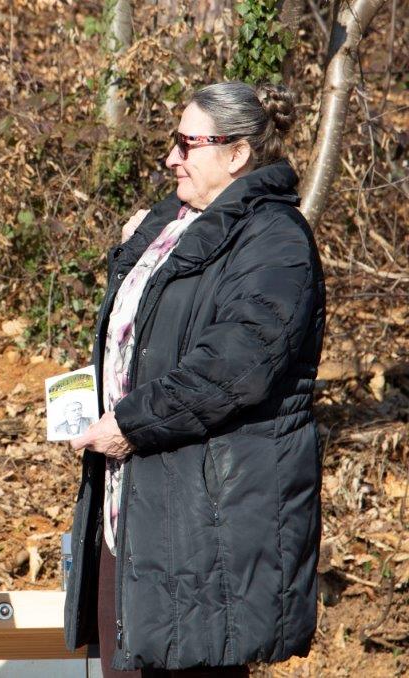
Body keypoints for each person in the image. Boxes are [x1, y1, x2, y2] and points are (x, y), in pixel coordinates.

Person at [63, 82, 326, 677]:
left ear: (238, 154)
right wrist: (134, 251)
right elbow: (143, 341)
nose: (170, 158)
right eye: (173, 142)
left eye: (187, 144)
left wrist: (129, 425)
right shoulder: (174, 226)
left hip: (207, 522)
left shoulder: (275, 239)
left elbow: (232, 368)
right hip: (133, 510)